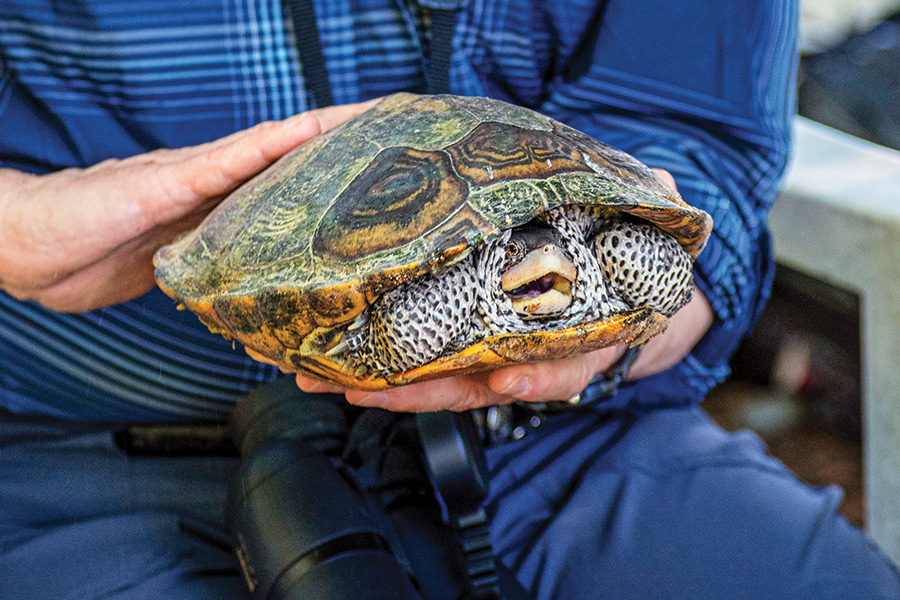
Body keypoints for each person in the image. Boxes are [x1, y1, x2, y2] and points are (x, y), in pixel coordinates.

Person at [0, 1, 897, 598]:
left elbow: (695, 137)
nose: (541, 273)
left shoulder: (576, 264)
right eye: (528, 269)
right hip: (80, 453)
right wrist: (16, 223)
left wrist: (621, 332)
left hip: (565, 433)